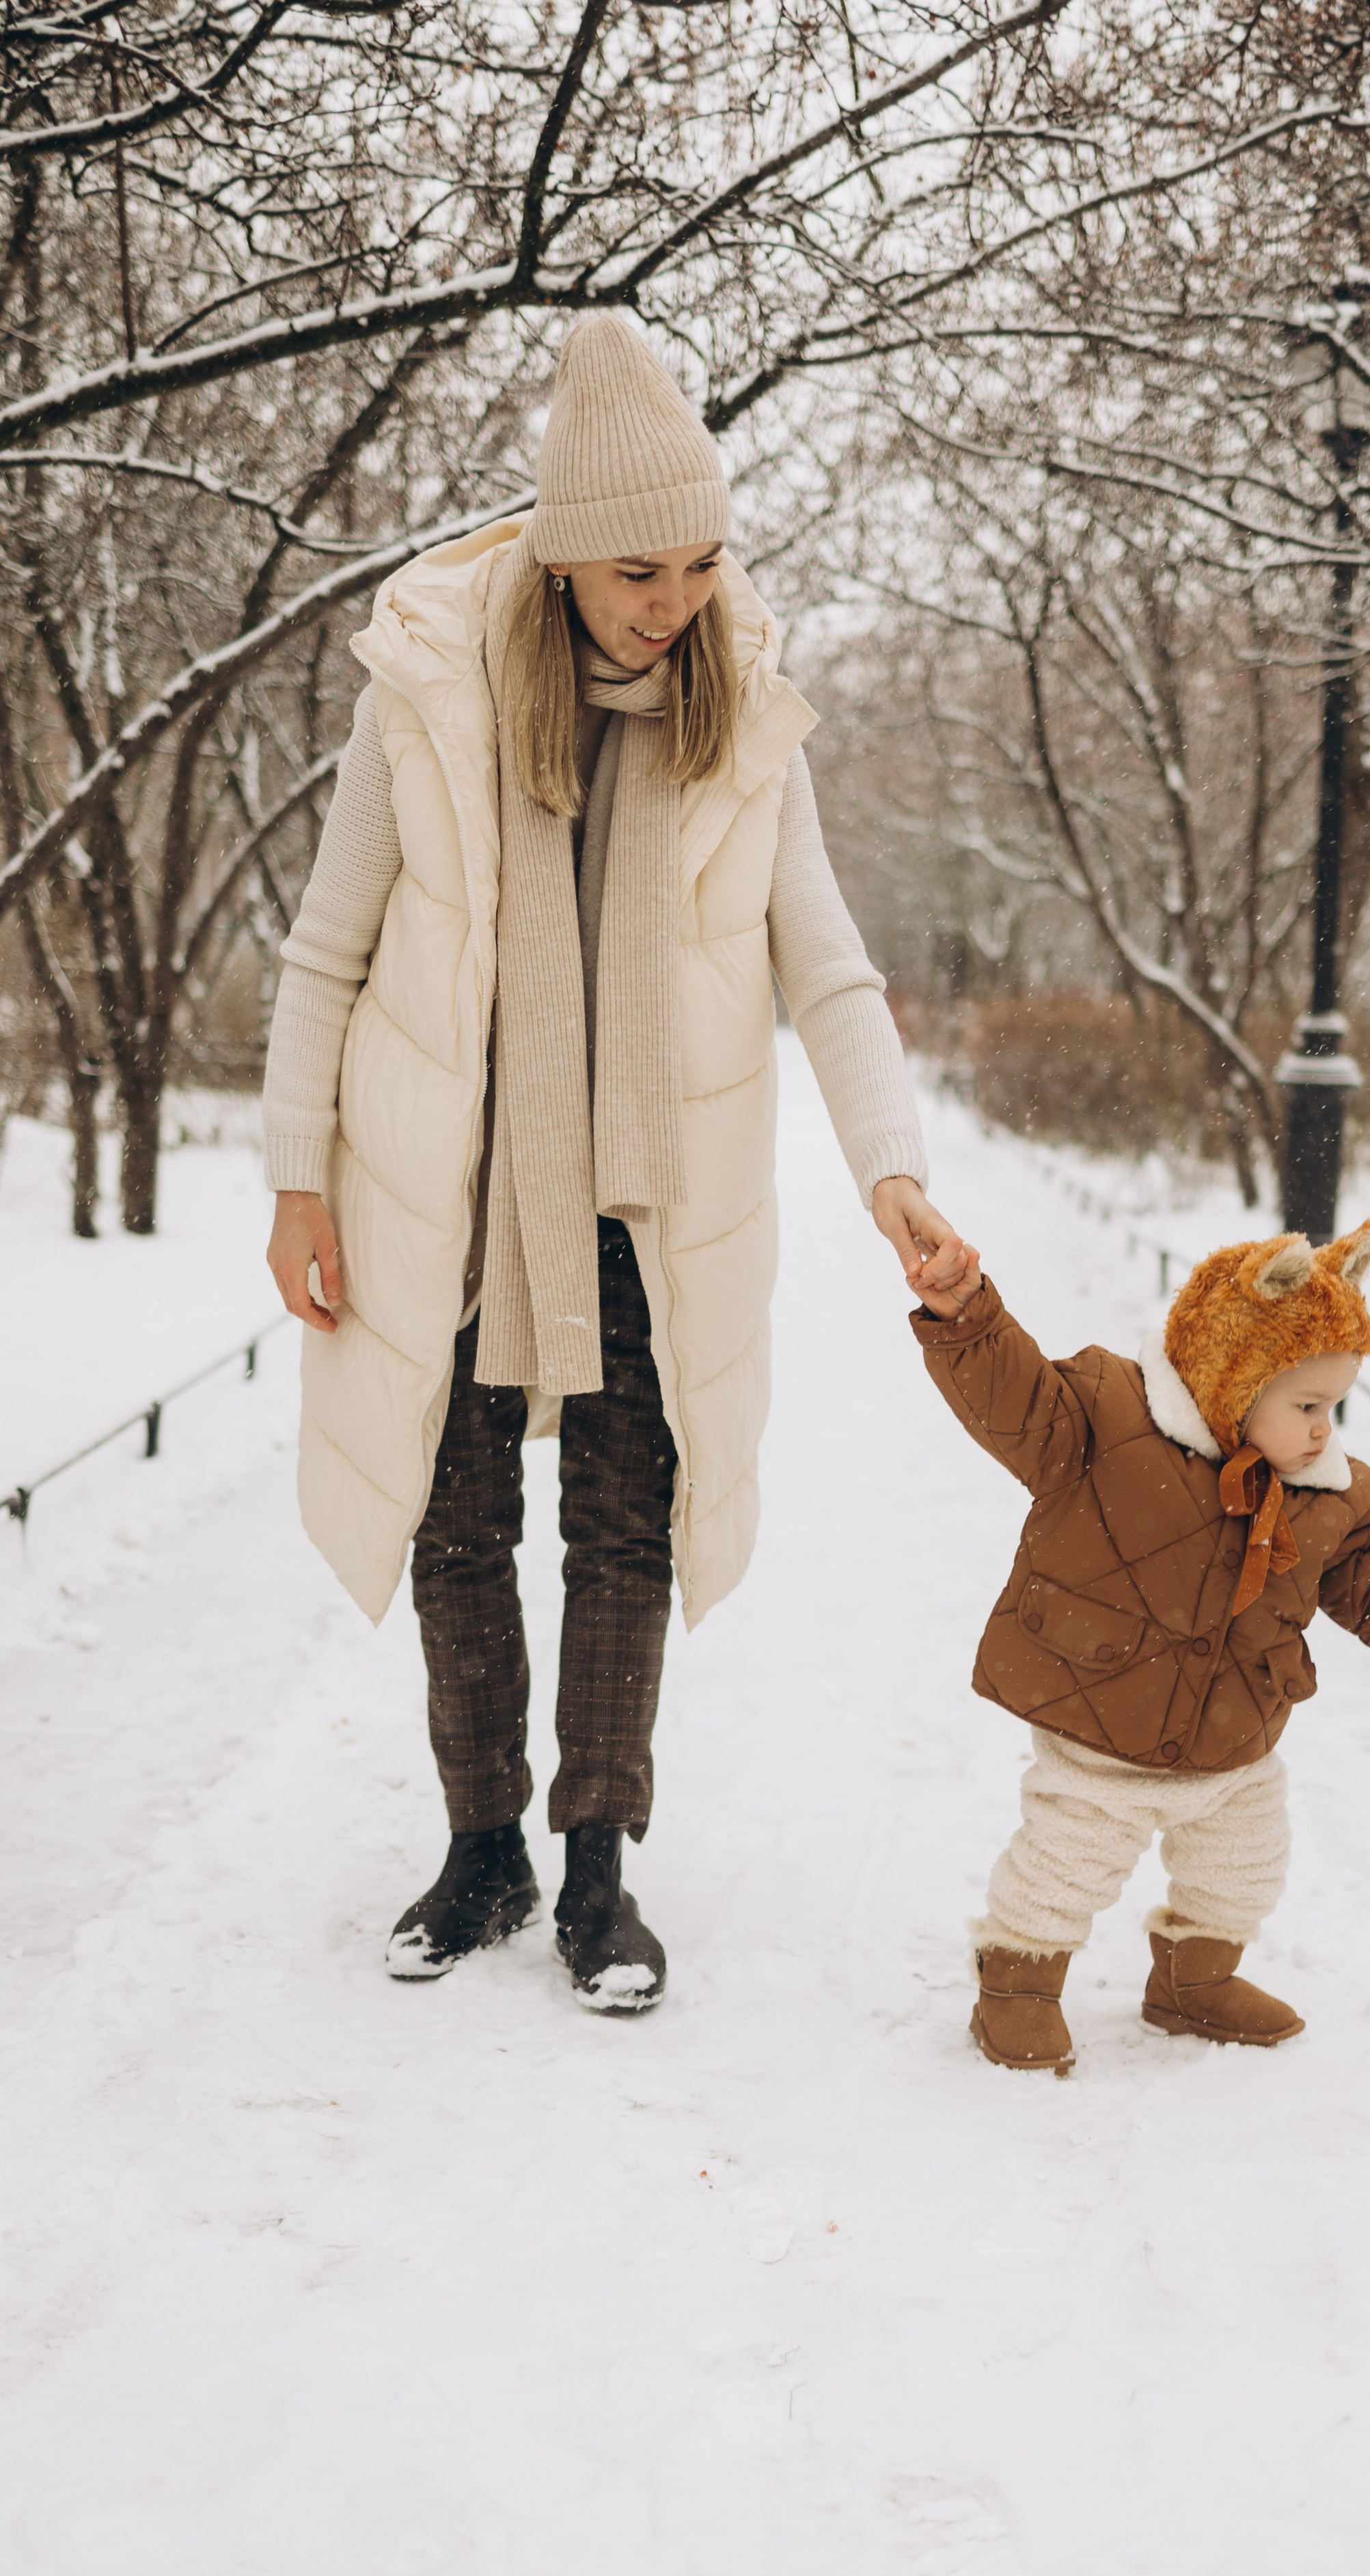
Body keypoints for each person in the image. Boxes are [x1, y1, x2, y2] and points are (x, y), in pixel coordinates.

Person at [262, 315, 969, 2010]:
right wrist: (295, 1178)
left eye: (702, 562)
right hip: (455, 1189)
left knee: (623, 1522)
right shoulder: (427, 695)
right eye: (640, 569)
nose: (676, 600)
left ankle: (594, 1866)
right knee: (453, 1523)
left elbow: (827, 964)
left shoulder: (743, 714)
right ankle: (480, 1847)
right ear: (566, 554)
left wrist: (891, 1170)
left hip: (645, 1195)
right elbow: (326, 948)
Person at [906, 1213, 1370, 2074]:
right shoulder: (1106, 1421)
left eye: (1333, 1407)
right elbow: (1017, 1400)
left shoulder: (1329, 1495)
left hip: (1235, 1736)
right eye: (1305, 1406)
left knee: (1245, 1867)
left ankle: (1193, 1979)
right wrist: (967, 1315)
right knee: (1065, 1866)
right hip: (1103, 1725)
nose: (1323, 1429)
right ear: (1233, 1379)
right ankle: (1018, 1984)